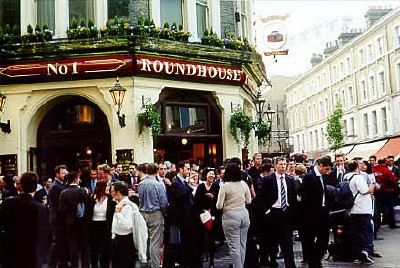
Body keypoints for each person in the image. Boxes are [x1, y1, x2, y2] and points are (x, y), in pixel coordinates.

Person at [0, 172, 49, 268]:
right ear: (36, 187)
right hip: (32, 254)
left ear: (20, 186)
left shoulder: (9, 203)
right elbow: (44, 234)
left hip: (11, 251)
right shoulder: (41, 208)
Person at [256, 158, 297, 268]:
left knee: (287, 242)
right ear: (275, 165)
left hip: (286, 213)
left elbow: (292, 197)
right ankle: (273, 262)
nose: (283, 166)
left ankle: (290, 265)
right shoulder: (268, 179)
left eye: (284, 164)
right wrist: (267, 211)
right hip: (273, 213)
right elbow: (261, 197)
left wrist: (292, 211)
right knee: (272, 241)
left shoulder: (290, 180)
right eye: (280, 164)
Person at [300, 156, 333, 268]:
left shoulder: (323, 177)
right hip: (311, 213)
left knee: (324, 238)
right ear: (320, 166)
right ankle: (313, 262)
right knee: (310, 239)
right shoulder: (309, 177)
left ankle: (315, 259)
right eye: (326, 169)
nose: (327, 172)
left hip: (323, 211)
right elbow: (305, 196)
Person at [216, 163, 251, 268]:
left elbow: (219, 205)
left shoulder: (224, 186)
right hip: (244, 214)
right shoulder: (244, 184)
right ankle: (241, 265)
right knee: (242, 245)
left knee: (233, 246)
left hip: (230, 216)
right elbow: (249, 200)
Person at [168, 161, 202, 268]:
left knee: (191, 242)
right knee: (184, 243)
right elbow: (179, 198)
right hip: (182, 219)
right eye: (187, 169)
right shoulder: (176, 183)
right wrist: (189, 186)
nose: (189, 171)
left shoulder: (184, 182)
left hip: (190, 218)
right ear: (181, 169)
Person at [137, 163, 168, 268]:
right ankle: (155, 264)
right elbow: (163, 202)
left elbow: (139, 198)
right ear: (157, 171)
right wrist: (164, 214)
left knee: (145, 239)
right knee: (155, 241)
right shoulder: (158, 184)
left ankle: (145, 260)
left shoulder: (141, 184)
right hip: (155, 213)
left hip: (142, 213)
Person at [345, 161, 375, 264]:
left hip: (352, 209)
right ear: (357, 167)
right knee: (367, 231)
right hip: (362, 209)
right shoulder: (358, 177)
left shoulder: (346, 177)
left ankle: (356, 255)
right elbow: (363, 190)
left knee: (356, 233)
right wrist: (370, 189)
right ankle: (365, 252)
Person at [59, 171, 90, 268]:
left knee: (73, 246)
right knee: (84, 247)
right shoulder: (83, 191)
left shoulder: (64, 192)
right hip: (83, 222)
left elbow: (61, 210)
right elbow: (88, 207)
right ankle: (85, 265)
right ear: (76, 179)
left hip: (70, 222)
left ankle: (74, 265)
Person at [86, 179, 116, 268]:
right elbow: (87, 213)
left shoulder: (111, 199)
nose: (109, 188)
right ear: (101, 187)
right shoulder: (91, 198)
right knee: (93, 249)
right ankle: (94, 265)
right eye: (107, 186)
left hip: (106, 226)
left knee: (106, 249)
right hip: (94, 226)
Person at [195, 167, 220, 267]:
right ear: (206, 175)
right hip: (202, 215)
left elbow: (218, 202)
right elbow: (197, 201)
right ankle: (204, 254)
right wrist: (203, 211)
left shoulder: (217, 187)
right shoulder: (201, 187)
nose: (212, 176)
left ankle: (212, 259)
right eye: (210, 174)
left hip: (213, 215)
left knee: (212, 238)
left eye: (213, 174)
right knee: (202, 236)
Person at [110, 181, 136, 268]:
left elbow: (128, 226)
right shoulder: (119, 204)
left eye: (112, 191)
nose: (111, 193)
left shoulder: (128, 206)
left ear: (118, 192)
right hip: (117, 239)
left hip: (125, 241)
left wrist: (118, 213)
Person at [47, 164, 69, 268]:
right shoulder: (55, 186)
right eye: (63, 173)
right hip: (57, 218)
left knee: (62, 241)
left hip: (60, 218)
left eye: (66, 173)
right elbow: (58, 205)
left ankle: (63, 263)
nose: (66, 175)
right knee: (57, 242)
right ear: (57, 174)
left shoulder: (62, 184)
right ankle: (51, 264)